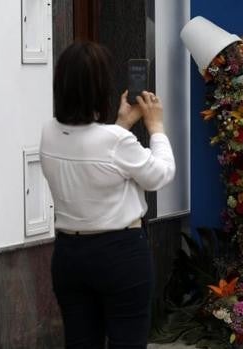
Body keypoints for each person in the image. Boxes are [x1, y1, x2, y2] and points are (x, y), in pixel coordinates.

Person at [40, 41, 175, 348]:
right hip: (120, 254)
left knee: (79, 341)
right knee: (127, 341)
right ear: (100, 87)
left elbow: (96, 154)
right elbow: (160, 174)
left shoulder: (49, 132)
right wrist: (155, 127)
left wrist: (123, 123)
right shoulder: (113, 141)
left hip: (68, 255)